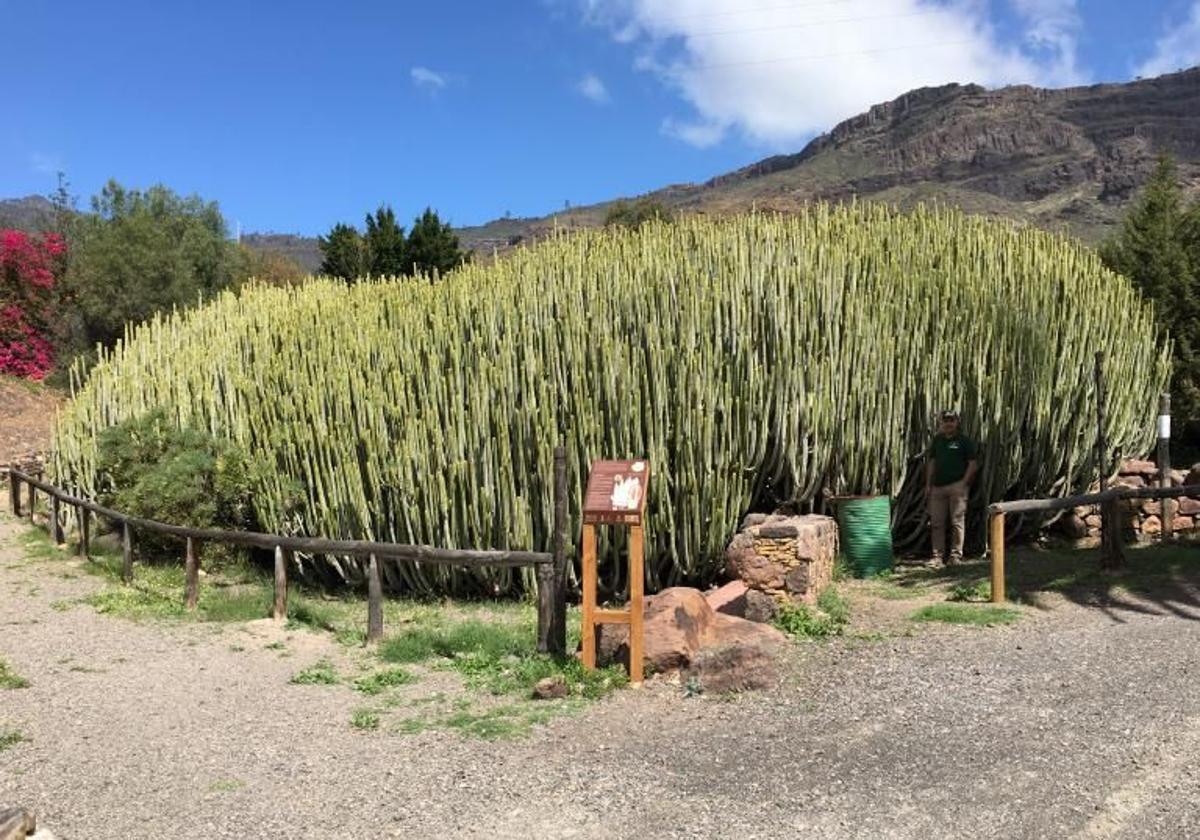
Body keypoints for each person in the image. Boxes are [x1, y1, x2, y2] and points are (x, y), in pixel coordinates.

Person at [925, 410, 978, 567]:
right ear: (941, 422)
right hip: (937, 487)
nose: (948, 423)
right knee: (936, 523)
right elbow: (932, 462)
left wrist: (963, 483)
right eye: (945, 420)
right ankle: (937, 557)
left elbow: (973, 464)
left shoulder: (963, 441)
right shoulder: (937, 440)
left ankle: (955, 556)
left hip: (957, 487)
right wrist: (928, 484)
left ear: (957, 422)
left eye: (951, 420)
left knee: (957, 521)